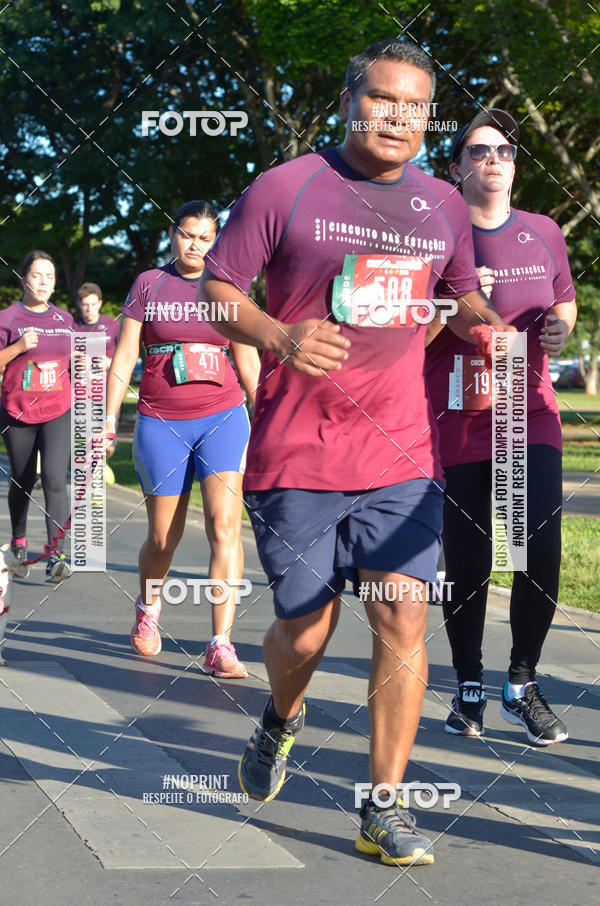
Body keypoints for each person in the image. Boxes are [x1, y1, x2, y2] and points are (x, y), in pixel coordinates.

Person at [199, 40, 512, 867]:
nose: (398, 117)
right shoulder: (286, 187)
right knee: (303, 632)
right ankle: (281, 717)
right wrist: (277, 333)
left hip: (402, 451)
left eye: (414, 106)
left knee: (403, 612)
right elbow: (218, 289)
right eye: (383, 100)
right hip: (297, 450)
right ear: (349, 101)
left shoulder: (443, 203)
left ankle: (384, 806)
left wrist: (489, 325)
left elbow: (460, 286)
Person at [425, 109, 576, 745]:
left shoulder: (543, 231)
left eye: (506, 151)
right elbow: (412, 330)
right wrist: (452, 299)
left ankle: (522, 682)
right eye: (479, 150)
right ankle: (467, 683)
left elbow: (563, 302)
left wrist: (564, 327)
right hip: (459, 414)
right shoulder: (432, 235)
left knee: (537, 547)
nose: (494, 159)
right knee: (469, 557)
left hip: (528, 411)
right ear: (455, 167)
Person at [105, 200, 260, 678]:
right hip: (161, 420)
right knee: (162, 536)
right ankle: (149, 607)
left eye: (205, 237)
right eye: (187, 235)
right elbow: (126, 354)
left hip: (223, 416)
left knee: (224, 526)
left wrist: (271, 419)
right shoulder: (149, 284)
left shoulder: (229, 287)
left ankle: (220, 643)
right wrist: (109, 421)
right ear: (173, 235)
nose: (195, 245)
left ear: (217, 241)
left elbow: (248, 361)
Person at [0, 250, 74, 582]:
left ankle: (56, 555)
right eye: (37, 275)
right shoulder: (7, 318)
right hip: (17, 410)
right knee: (23, 479)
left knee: (56, 480)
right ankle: (18, 540)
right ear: (23, 278)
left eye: (50, 276)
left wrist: (84, 364)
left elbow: (73, 360)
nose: (43, 282)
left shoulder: (65, 319)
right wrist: (17, 348)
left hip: (58, 409)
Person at [75, 282, 120, 484]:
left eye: (93, 304)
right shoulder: (73, 327)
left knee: (107, 444)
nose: (89, 309)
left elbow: (126, 355)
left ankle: (101, 462)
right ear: (79, 305)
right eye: (85, 304)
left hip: (108, 393)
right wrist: (75, 357)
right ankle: (94, 471)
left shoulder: (113, 325)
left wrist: (109, 362)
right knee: (88, 441)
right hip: (83, 393)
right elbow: (62, 353)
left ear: (100, 303)